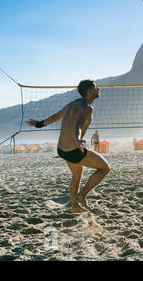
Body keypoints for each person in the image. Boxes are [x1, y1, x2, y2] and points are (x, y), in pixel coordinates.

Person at [27, 80, 110, 213]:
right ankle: (81, 195)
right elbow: (77, 125)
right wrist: (77, 141)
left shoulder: (74, 103)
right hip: (73, 149)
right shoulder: (87, 108)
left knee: (77, 176)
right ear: (89, 92)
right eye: (95, 87)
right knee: (105, 168)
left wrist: (39, 124)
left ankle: (75, 207)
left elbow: (56, 116)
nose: (98, 89)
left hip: (62, 149)